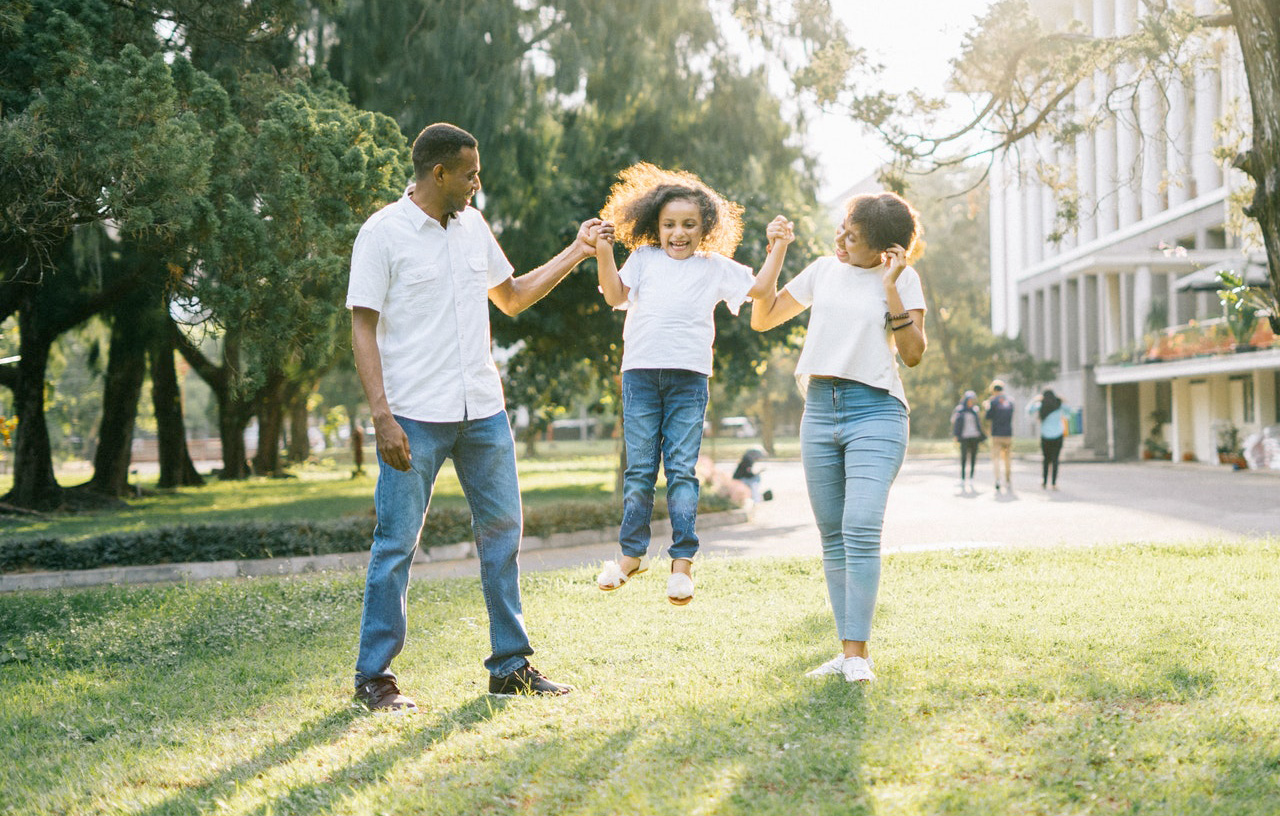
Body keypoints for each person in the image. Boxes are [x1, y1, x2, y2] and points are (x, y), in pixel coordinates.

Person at [346, 122, 610, 711]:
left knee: (503, 536)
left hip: (483, 410)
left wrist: (577, 250)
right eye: (469, 173)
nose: (477, 183)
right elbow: (362, 326)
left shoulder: (472, 226)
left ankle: (510, 667)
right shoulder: (382, 233)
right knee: (395, 544)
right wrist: (381, 417)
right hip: (413, 415)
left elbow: (511, 296)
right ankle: (375, 678)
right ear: (438, 173)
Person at [592, 162, 791, 605]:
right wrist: (604, 252)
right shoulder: (643, 259)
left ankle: (682, 565)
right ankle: (631, 556)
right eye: (669, 225)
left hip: (688, 380)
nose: (678, 233)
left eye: (688, 225)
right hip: (641, 376)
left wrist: (776, 248)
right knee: (640, 471)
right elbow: (614, 296)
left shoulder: (714, 266)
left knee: (682, 470)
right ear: (655, 226)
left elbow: (760, 289)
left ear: (706, 228)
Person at [750, 191, 927, 684]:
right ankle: (849, 653)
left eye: (854, 237)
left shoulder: (903, 278)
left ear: (886, 250)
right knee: (833, 538)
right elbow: (762, 318)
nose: (841, 240)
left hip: (877, 411)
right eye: (843, 229)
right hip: (820, 410)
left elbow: (912, 354)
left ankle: (857, 657)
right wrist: (777, 251)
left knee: (861, 525)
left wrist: (890, 286)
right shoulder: (824, 270)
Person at [1028, 389, 1066, 489]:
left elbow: (1029, 410)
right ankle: (1054, 483)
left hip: (1045, 436)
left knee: (1046, 459)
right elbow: (1069, 411)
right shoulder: (1059, 405)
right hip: (1058, 435)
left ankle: (1044, 481)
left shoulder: (1041, 405)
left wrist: (1035, 400)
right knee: (1055, 460)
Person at [983, 379, 1015, 492]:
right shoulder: (1010, 401)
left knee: (996, 458)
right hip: (1008, 433)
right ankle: (1008, 479)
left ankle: (997, 480)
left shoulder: (992, 402)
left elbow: (988, 417)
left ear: (993, 390)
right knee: (1007, 458)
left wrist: (987, 406)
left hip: (996, 434)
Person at [951, 390, 985, 489]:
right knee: (964, 458)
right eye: (969, 400)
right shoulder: (960, 410)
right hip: (964, 437)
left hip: (974, 437)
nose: (971, 402)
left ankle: (971, 479)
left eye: (972, 400)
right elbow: (955, 422)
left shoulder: (975, 410)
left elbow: (978, 424)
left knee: (973, 458)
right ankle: (962, 479)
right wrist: (956, 435)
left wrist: (981, 435)